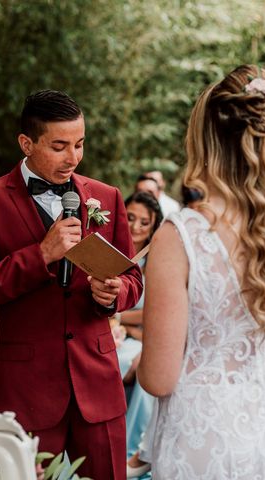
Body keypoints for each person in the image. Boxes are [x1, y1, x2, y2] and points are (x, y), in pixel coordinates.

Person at [137, 65, 265, 478]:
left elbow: (158, 378)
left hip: (206, 437)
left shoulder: (181, 235)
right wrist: (258, 363)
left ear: (204, 141)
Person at [0, 90, 143, 479]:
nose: (73, 158)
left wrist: (114, 294)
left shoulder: (107, 197)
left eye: (79, 144)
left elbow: (132, 276)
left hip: (98, 386)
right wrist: (40, 255)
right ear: (27, 143)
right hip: (27, 391)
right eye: (59, 146)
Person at [110, 192, 162, 471]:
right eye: (130, 218)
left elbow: (152, 311)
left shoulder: (154, 261)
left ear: (154, 226)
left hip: (139, 338)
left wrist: (117, 315)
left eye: (145, 222)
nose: (137, 226)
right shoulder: (110, 250)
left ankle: (129, 453)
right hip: (118, 335)